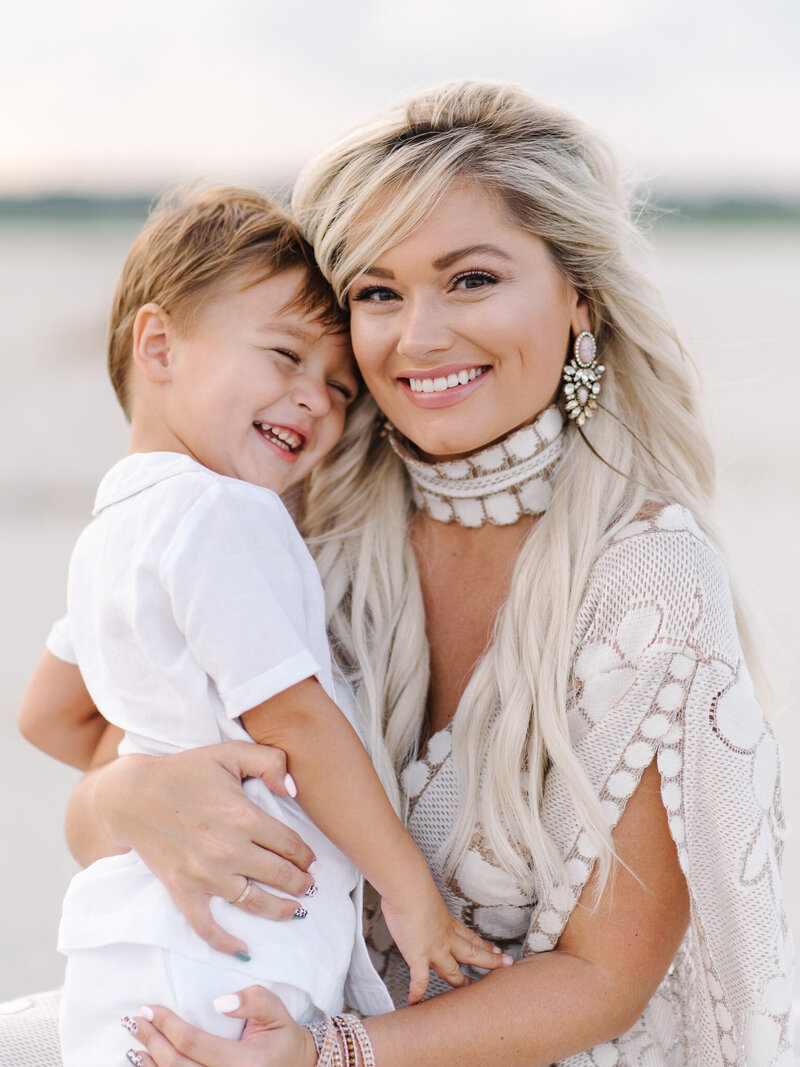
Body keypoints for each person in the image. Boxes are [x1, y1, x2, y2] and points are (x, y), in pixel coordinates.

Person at [17, 81, 793, 1067]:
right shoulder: (297, 516)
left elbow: (604, 981)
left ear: (577, 303)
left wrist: (332, 1051)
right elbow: (94, 758)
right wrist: (125, 799)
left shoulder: (646, 579)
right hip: (258, 1015)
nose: (417, 336)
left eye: (469, 279)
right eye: (377, 293)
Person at [17, 184, 508, 1067]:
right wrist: (411, 893)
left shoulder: (113, 527)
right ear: (159, 345)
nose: (314, 401)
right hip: (230, 940)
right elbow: (298, 720)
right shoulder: (225, 514)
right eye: (283, 355)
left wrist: (158, 760)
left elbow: (48, 715)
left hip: (129, 941)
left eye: (337, 387)